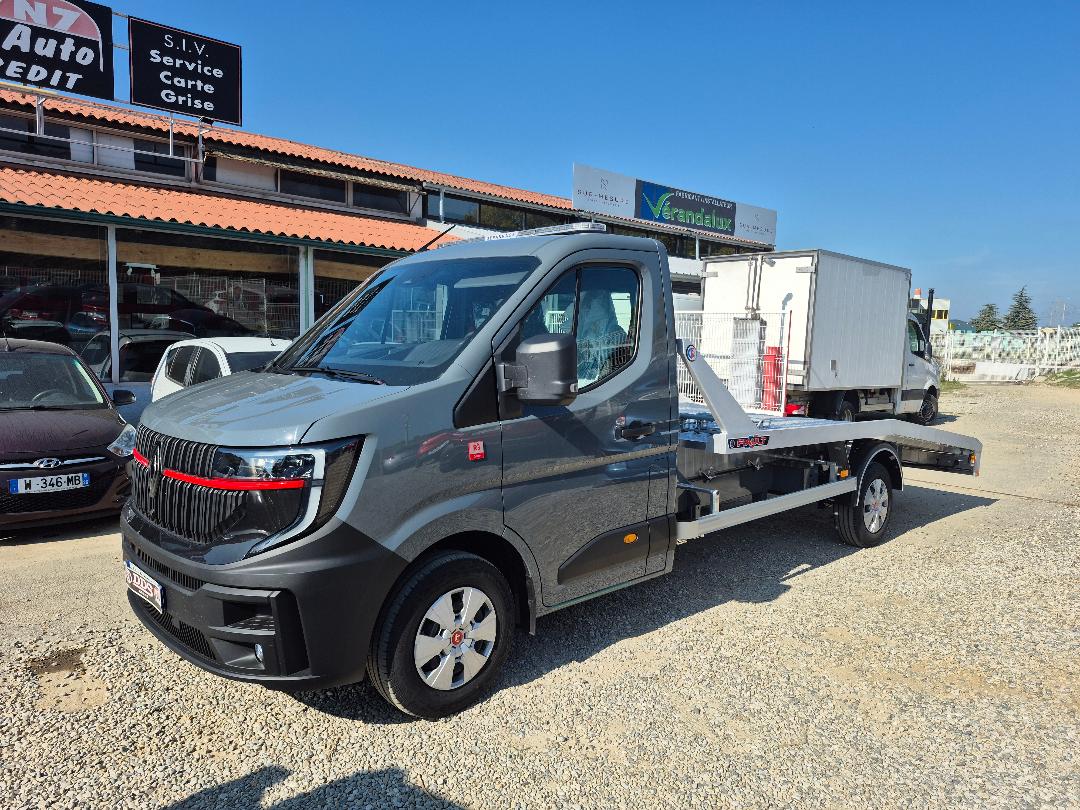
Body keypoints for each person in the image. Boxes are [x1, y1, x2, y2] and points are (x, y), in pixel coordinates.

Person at [574, 290, 629, 384]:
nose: (586, 311)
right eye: (585, 306)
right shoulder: (584, 334)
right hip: (583, 386)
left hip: (604, 387)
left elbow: (611, 369)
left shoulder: (615, 334)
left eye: (589, 305)